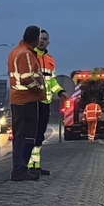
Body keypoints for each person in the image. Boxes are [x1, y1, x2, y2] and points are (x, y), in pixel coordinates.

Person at [7, 26, 45, 181]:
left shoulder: (16, 52)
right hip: (26, 100)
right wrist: (39, 89)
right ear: (35, 39)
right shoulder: (26, 54)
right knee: (25, 135)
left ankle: (21, 167)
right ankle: (19, 169)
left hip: (18, 100)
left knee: (21, 135)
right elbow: (27, 78)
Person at [28, 29, 66, 176]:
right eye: (40, 38)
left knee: (40, 135)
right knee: (31, 133)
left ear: (48, 42)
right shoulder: (30, 56)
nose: (42, 41)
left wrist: (60, 92)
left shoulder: (50, 60)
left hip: (45, 102)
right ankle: (27, 165)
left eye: (45, 39)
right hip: (33, 101)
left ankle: (35, 165)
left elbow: (52, 81)